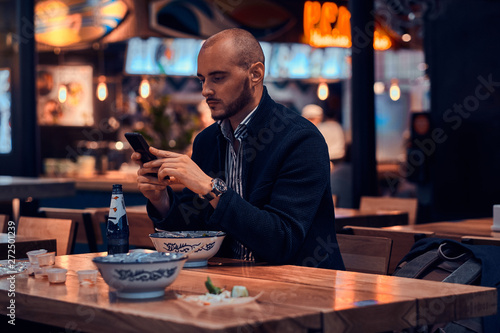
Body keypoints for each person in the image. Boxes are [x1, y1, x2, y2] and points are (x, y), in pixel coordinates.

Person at [132, 28, 344, 270]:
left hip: (302, 289)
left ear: (255, 74)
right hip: (228, 285)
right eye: (202, 79)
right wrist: (161, 200)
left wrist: (211, 188)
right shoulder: (207, 140)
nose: (205, 90)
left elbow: (282, 241)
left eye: (218, 78)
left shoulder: (301, 140)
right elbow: (196, 234)